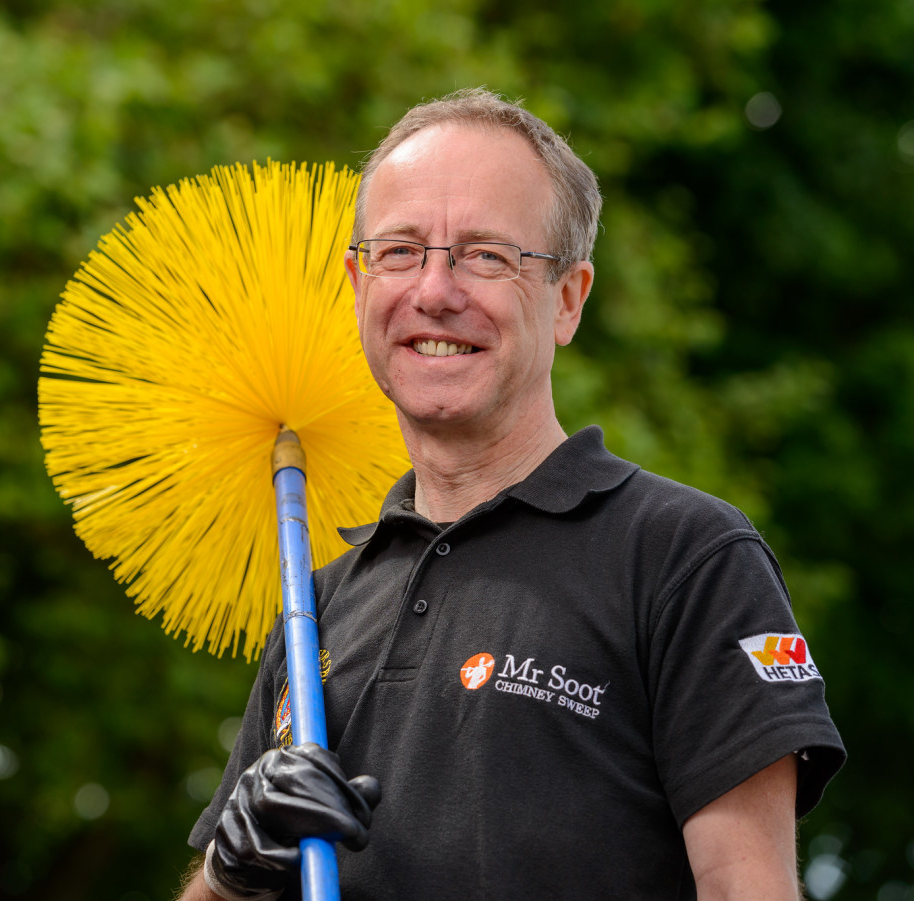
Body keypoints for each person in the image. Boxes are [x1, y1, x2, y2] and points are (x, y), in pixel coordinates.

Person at [178, 88, 845, 900]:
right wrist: (229, 872)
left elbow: (750, 888)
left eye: (487, 255)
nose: (434, 290)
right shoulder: (314, 609)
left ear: (568, 298)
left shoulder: (683, 555)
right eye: (400, 251)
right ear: (357, 284)